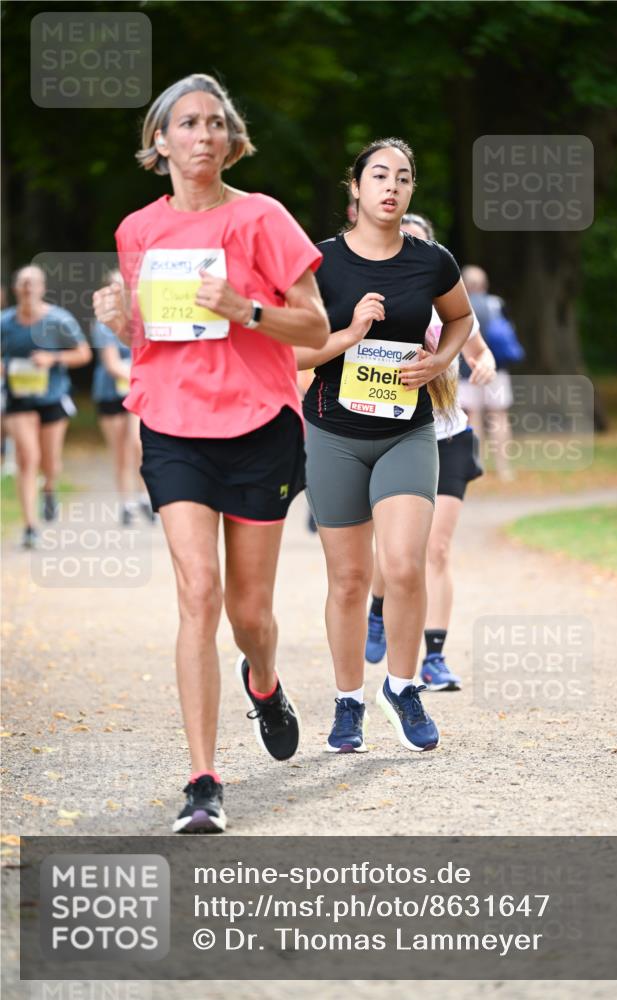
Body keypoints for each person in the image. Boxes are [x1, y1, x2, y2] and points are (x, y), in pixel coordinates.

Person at [92, 73, 329, 833]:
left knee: (248, 611)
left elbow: (315, 329)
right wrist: (120, 315)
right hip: (172, 425)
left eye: (215, 123)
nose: (203, 135)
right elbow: (150, 338)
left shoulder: (261, 218)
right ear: (159, 141)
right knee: (197, 592)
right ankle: (202, 780)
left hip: (260, 426)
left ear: (230, 139)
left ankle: (263, 681)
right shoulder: (138, 230)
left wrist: (246, 310)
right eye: (187, 124)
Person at [296, 139, 474, 754]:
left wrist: (440, 362)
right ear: (355, 187)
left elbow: (460, 320)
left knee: (402, 564)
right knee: (348, 579)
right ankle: (348, 704)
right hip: (333, 432)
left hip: (406, 430)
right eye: (378, 175)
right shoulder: (317, 265)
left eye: (402, 177)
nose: (390, 186)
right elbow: (291, 352)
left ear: (411, 191)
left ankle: (402, 688)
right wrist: (349, 334)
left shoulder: (432, 262)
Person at [365, 216, 496, 691]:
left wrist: (483, 365)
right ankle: (378, 608)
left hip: (450, 435)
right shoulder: (373, 304)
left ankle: (434, 658)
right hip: (396, 436)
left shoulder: (450, 306)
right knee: (396, 551)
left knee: (435, 549)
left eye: (419, 244)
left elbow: (480, 350)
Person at [1, 265, 92, 548]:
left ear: (42, 288)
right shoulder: (5, 322)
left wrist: (52, 360)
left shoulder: (58, 320)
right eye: (23, 283)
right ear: (17, 289)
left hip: (52, 397)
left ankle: (49, 488)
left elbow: (83, 353)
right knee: (27, 457)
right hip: (18, 398)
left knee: (48, 460)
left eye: (33, 283)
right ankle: (30, 526)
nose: (28, 288)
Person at [92, 272, 153, 526]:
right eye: (114, 286)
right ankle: (126, 502)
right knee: (120, 450)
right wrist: (143, 375)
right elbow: (112, 364)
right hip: (111, 392)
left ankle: (144, 497)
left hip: (137, 391)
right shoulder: (103, 322)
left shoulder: (146, 317)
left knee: (138, 446)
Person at [458, 265, 521, 481]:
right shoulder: (496, 303)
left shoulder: (458, 305)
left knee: (472, 416)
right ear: (484, 285)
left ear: (464, 285)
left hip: (468, 371)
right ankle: (504, 469)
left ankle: (477, 466)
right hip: (496, 370)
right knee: (499, 416)